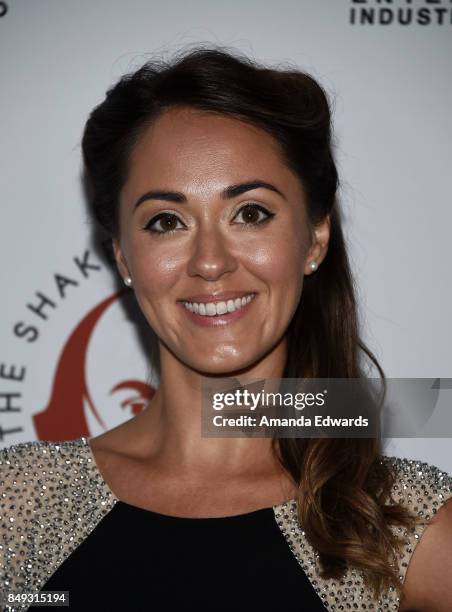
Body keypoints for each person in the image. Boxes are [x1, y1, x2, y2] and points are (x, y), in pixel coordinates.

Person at [1, 45, 451, 612]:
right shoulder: (18, 507)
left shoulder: (406, 525)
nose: (210, 262)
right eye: (166, 221)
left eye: (251, 213)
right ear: (121, 255)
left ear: (314, 238)